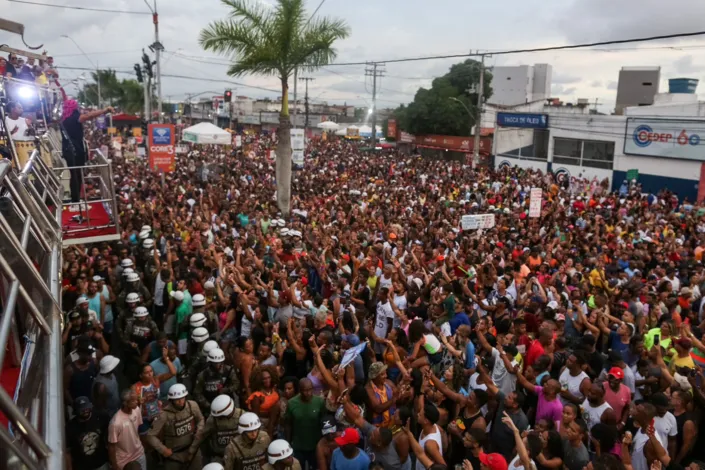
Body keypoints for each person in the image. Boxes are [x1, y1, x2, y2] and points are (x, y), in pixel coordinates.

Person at [60, 100, 114, 202]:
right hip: (74, 151)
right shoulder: (74, 118)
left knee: (75, 174)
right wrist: (105, 110)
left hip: (68, 151)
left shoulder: (64, 120)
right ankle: (75, 201)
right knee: (76, 175)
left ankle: (75, 199)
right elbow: (89, 116)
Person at [145, 383, 204, 469]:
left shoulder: (193, 406)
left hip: (193, 450)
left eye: (182, 398)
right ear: (171, 400)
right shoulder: (163, 414)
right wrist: (163, 449)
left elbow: (201, 419)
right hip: (174, 455)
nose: (181, 402)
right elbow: (150, 435)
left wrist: (199, 432)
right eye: (177, 400)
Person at [285, 378, 325, 469]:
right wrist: (288, 442)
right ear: (300, 390)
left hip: (315, 445)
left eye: (310, 389)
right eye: (305, 390)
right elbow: (288, 424)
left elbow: (323, 421)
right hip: (298, 446)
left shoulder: (319, 402)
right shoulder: (291, 403)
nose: (309, 393)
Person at [193, 395, 243, 465]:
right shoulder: (212, 419)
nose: (218, 418)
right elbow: (202, 435)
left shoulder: (243, 416)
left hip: (239, 456)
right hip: (219, 457)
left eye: (220, 416)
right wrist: (191, 450)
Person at [66, 396, 110, 470]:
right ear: (76, 411)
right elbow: (67, 452)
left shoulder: (101, 416)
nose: (85, 410)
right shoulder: (70, 428)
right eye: (82, 409)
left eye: (87, 408)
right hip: (82, 466)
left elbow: (110, 436)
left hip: (101, 463)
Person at [108, 389, 146, 470]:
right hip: (124, 459)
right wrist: (115, 465)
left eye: (136, 399)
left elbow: (137, 430)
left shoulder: (137, 410)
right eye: (133, 401)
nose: (136, 402)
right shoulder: (115, 423)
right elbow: (111, 446)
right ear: (125, 403)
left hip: (138, 453)